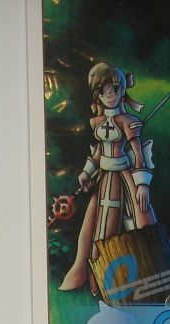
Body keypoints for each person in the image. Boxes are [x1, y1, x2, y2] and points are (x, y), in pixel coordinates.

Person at [59, 63, 158, 293]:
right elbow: (98, 154)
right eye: (103, 92)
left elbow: (138, 155)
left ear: (122, 90)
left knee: (125, 229)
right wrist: (86, 173)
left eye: (114, 90)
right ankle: (97, 283)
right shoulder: (97, 122)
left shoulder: (127, 122)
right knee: (94, 231)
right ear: (98, 95)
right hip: (103, 179)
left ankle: (129, 281)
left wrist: (142, 185)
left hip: (122, 179)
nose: (109, 96)